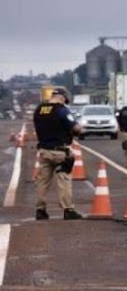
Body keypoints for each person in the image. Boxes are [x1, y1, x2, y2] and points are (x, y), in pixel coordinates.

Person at [33, 88, 83, 220]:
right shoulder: (61, 110)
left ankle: (40, 210)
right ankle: (68, 209)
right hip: (60, 151)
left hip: (44, 150)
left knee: (43, 181)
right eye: (64, 100)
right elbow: (75, 128)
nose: (64, 102)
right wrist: (79, 129)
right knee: (64, 180)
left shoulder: (39, 109)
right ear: (61, 97)